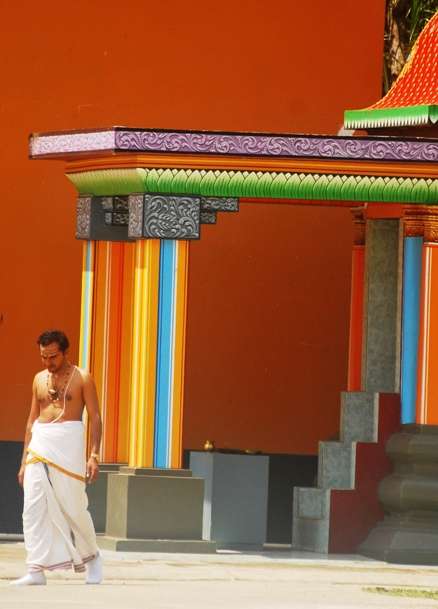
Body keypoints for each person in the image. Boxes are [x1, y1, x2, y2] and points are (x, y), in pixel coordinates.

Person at [11, 330, 103, 586]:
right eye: (43, 356)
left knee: (73, 505)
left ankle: (92, 558)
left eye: (52, 356)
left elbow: (95, 417)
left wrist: (94, 454)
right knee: (33, 508)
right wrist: (23, 461)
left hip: (68, 445)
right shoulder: (39, 379)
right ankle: (36, 568)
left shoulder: (82, 377)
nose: (48, 362)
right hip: (39, 445)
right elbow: (31, 421)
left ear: (65, 352)